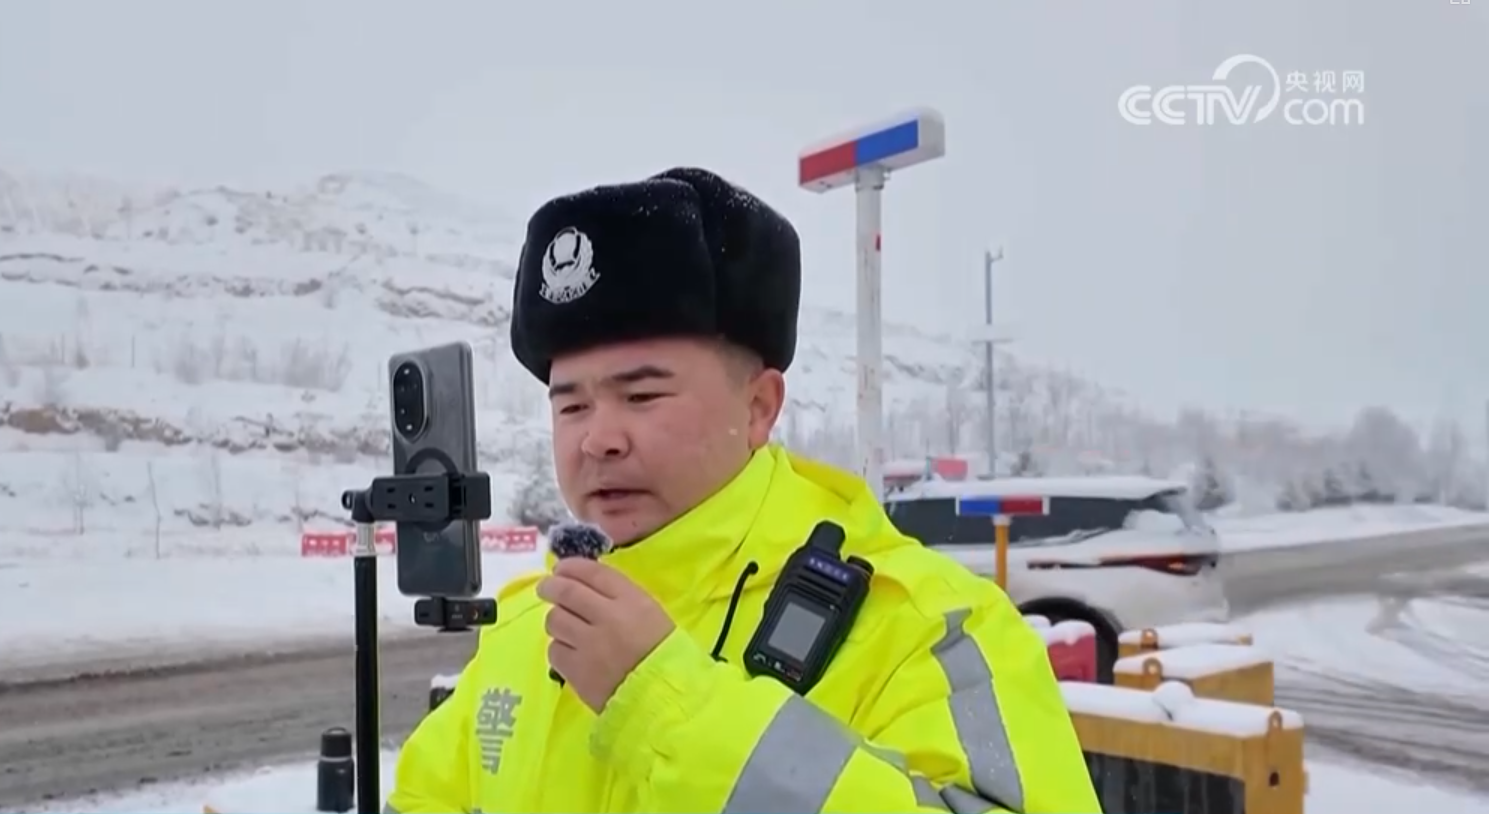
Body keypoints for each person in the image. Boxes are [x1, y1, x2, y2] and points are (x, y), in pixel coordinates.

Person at [385, 167, 1101, 814]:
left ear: (759, 407)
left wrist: (667, 708)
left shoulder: (928, 630)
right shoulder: (525, 628)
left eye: (641, 396)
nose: (598, 438)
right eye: (571, 405)